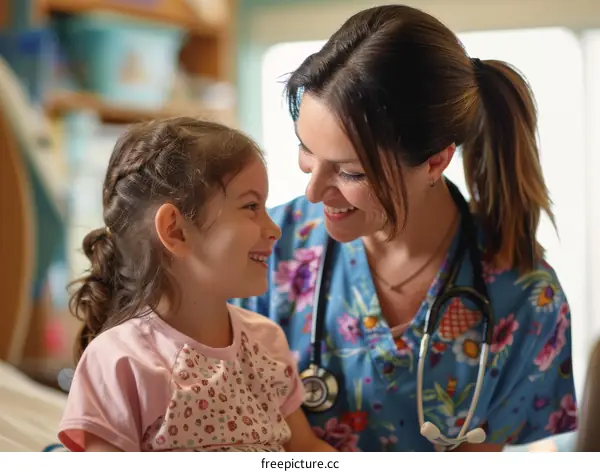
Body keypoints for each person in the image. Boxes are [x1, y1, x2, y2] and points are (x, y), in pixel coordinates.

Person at [231, 5, 578, 452]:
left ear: (436, 160)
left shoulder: (524, 295)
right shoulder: (264, 245)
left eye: (350, 172)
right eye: (306, 151)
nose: (314, 193)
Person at [58, 117, 336, 453]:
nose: (274, 229)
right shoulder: (121, 362)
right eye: (251, 206)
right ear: (175, 230)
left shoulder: (267, 342)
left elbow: (306, 452)